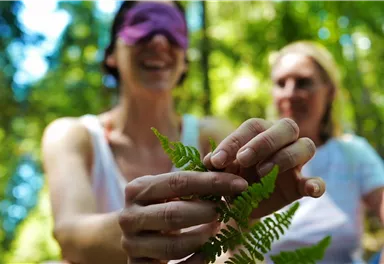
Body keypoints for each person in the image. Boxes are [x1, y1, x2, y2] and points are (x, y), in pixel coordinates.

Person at [41, 1, 325, 264]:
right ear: (112, 54)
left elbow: (234, 248)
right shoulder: (73, 135)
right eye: (142, 25)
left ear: (185, 60)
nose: (159, 40)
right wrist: (139, 231)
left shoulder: (213, 136)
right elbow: (70, 234)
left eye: (172, 29)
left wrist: (250, 205)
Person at [260, 41, 384, 264]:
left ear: (330, 92)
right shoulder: (257, 162)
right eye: (280, 83)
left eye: (303, 82)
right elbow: (226, 243)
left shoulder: (354, 152)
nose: (289, 93)